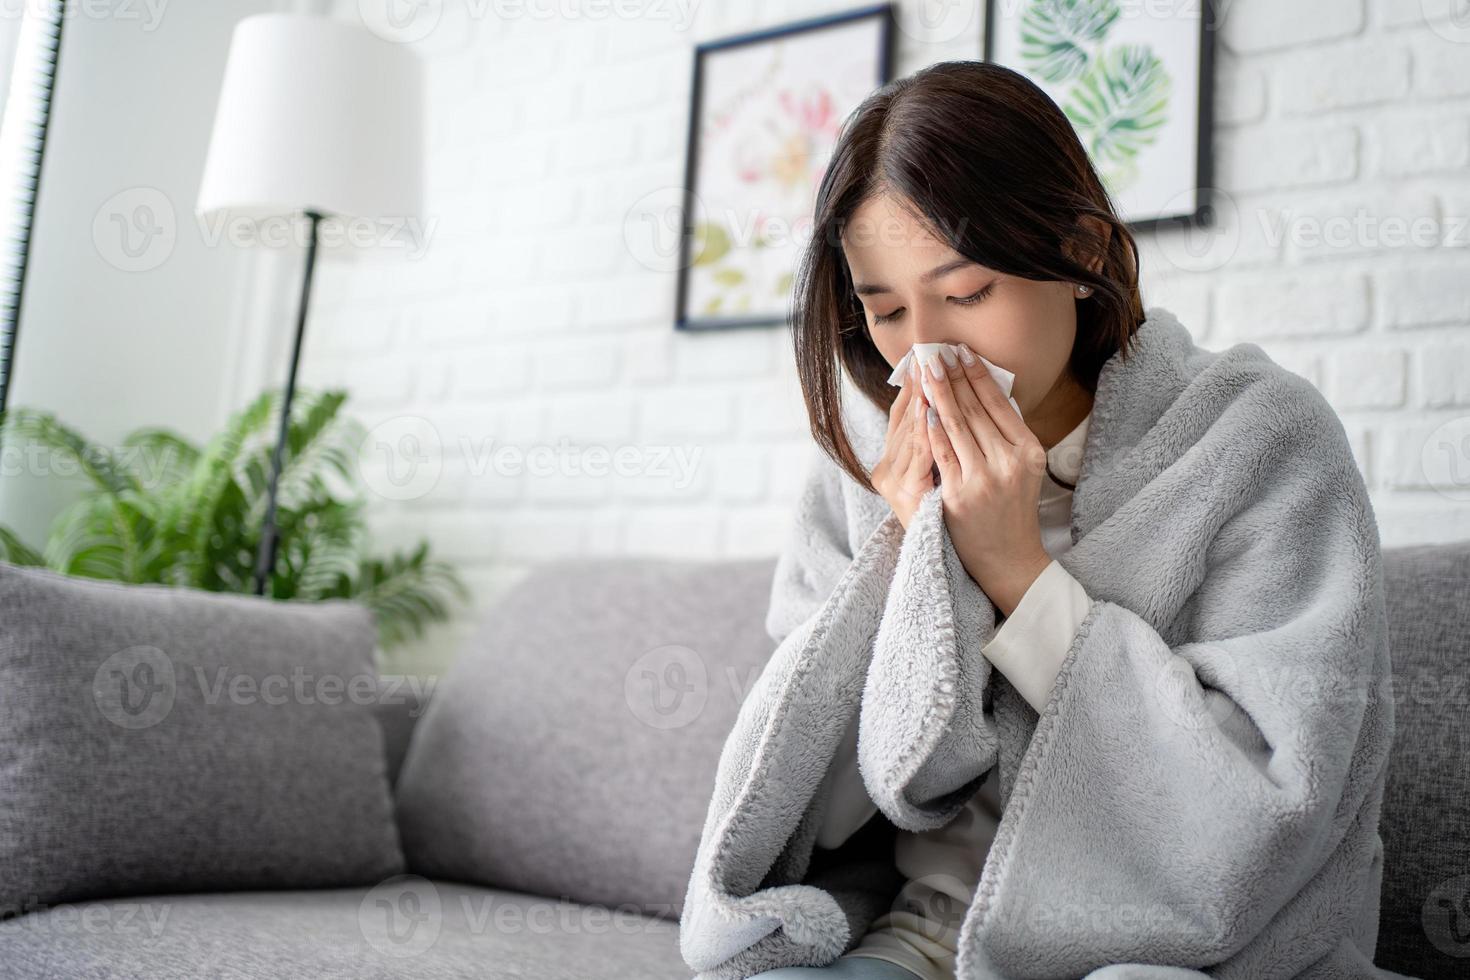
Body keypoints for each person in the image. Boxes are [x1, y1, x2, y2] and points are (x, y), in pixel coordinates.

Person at [734, 60, 1385, 980]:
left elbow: (1264, 803)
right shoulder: (861, 471)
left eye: (965, 296)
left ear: (1081, 254)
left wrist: (1015, 571)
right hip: (931, 934)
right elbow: (804, 806)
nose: (925, 353)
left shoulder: (1255, 439)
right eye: (884, 311)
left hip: (1179, 950)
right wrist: (905, 561)